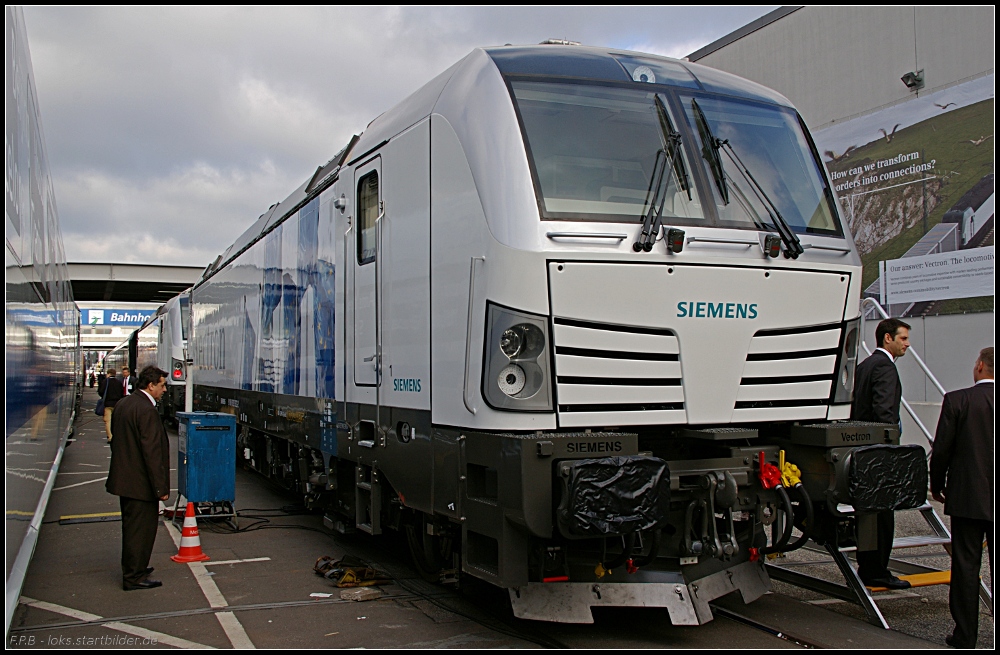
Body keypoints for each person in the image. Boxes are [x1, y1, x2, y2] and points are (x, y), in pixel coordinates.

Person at [930, 347, 994, 649]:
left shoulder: (958, 400)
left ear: (980, 366)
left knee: (967, 566)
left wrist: (937, 483)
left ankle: (965, 635)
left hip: (968, 497)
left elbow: (941, 449)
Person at [850, 317, 911, 589]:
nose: (907, 345)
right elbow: (885, 413)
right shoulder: (886, 368)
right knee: (883, 516)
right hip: (879, 452)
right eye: (903, 339)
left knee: (869, 515)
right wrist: (891, 451)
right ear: (888, 338)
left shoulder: (864, 366)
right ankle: (877, 570)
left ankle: (868, 565)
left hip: (860, 449)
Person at [106, 365, 170, 591]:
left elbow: (116, 441)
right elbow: (152, 453)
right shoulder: (146, 410)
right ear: (151, 385)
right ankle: (134, 575)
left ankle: (136, 567)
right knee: (140, 531)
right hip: (141, 484)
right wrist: (161, 487)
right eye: (162, 385)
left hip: (125, 480)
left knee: (132, 528)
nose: (164, 390)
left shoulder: (124, 404)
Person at [101, 368, 125, 444]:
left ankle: (110, 437)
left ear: (108, 374)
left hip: (108, 404)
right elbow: (122, 393)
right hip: (117, 404)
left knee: (108, 421)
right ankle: (117, 436)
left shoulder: (105, 382)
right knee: (116, 421)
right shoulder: (119, 382)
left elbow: (101, 391)